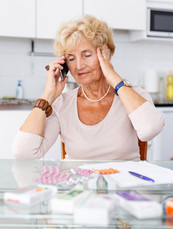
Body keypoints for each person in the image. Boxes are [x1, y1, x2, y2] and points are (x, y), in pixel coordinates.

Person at [12, 15, 165, 161]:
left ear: (106, 53)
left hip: (122, 187)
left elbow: (150, 130)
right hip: (79, 186)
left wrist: (113, 78)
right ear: (65, 64)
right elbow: (24, 152)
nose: (78, 66)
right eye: (71, 58)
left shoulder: (133, 95)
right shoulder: (62, 104)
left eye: (86, 55)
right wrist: (48, 95)